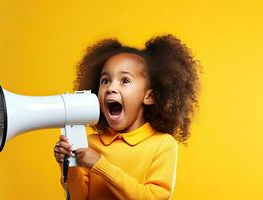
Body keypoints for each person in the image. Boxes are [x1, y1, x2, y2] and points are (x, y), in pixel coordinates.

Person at [53, 34, 200, 200]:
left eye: (124, 80)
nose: (111, 88)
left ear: (149, 96)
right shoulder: (91, 144)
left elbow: (153, 197)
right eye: (105, 81)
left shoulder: (162, 144)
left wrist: (100, 164)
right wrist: (68, 165)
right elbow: (79, 197)